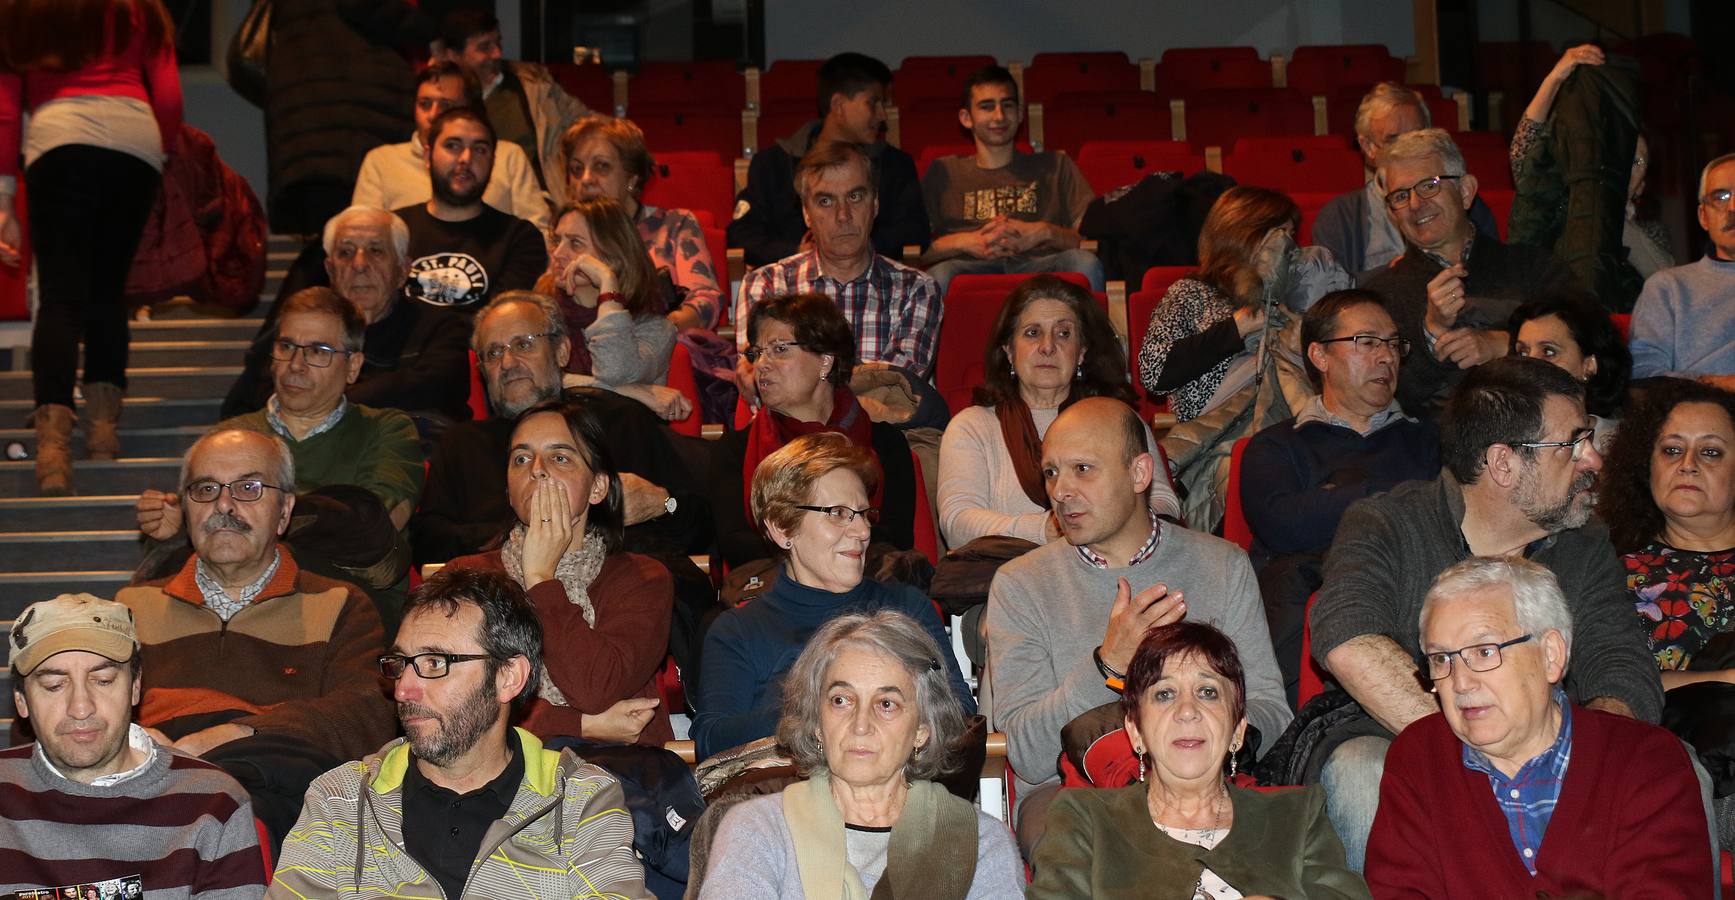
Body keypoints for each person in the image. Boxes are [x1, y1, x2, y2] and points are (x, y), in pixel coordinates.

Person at [1307, 356, 1663, 871]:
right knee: (1364, 770)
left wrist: (1575, 761)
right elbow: (1347, 636)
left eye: (1588, 440)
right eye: (1572, 444)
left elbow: (1622, 663)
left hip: (1559, 749)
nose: (1593, 461)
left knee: (1675, 766)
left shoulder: (1583, 546)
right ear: (1503, 464)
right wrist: (1480, 752)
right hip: (1402, 742)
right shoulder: (1387, 523)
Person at [987, 397, 1291, 853]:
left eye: (1083, 469)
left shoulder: (1222, 566)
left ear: (1140, 474)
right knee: (1086, 846)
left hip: (1210, 783)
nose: (1061, 490)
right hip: (1073, 796)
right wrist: (1108, 667)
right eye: (1051, 472)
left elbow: (1272, 714)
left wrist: (1193, 748)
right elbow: (1028, 755)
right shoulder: (1021, 584)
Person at [268, 567, 651, 899]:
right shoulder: (341, 799)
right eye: (401, 664)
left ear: (507, 677)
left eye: (435, 662)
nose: (403, 689)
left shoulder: (580, 799)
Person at [116, 427, 397, 847]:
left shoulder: (339, 603)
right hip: (150, 793)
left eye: (248, 488)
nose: (224, 504)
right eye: (206, 488)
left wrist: (235, 735)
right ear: (187, 508)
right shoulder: (130, 608)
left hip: (279, 794)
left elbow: (370, 714)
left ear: (284, 511)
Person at [1365, 557, 1711, 895]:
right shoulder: (1420, 758)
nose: (1461, 683)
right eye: (1441, 659)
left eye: (1485, 652)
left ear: (1551, 655)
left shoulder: (1646, 760)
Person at [694, 610, 1022, 898]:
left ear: (921, 729)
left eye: (886, 704)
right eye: (841, 700)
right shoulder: (757, 831)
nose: (860, 725)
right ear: (817, 723)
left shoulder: (979, 842)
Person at [1028, 622, 1368, 897]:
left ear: (1237, 730)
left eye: (1208, 692)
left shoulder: (1297, 815)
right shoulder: (1085, 818)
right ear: (1136, 732)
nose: (1187, 711)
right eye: (1164, 694)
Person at [692, 433, 974, 760]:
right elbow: (712, 741)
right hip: (786, 799)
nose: (863, 531)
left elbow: (958, 713)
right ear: (783, 529)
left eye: (864, 513)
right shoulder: (739, 631)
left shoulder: (907, 607)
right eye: (838, 513)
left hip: (900, 792)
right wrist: (819, 708)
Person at [0, 0, 181, 494]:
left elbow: (5, 104)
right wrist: (163, 153)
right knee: (108, 292)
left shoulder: (22, 9)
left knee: (61, 296)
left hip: (57, 135)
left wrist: (4, 198)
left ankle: (54, 454)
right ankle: (103, 433)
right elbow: (166, 92)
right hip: (133, 139)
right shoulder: (138, 5)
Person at [1241, 290, 1440, 707]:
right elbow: (1282, 525)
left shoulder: (1431, 441)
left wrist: (1335, 497)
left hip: (1414, 594)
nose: (1387, 358)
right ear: (1319, 356)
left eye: (1393, 344)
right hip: (1308, 609)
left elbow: (1446, 519)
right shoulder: (1275, 447)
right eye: (1367, 342)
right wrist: (1389, 496)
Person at [410, 290, 709, 565]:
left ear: (562, 351)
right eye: (493, 353)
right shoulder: (463, 445)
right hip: (500, 603)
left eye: (523, 344)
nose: (508, 362)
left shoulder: (621, 421)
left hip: (616, 595)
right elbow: (428, 541)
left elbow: (698, 522)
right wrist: (524, 534)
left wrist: (662, 503)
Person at [2, 593, 267, 898]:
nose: (80, 707)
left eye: (102, 680)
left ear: (136, 686)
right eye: (54, 685)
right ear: (21, 700)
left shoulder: (213, 802)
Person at [446, 399, 675, 747]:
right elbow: (454, 699)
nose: (536, 470)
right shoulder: (464, 577)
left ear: (597, 487)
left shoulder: (641, 579)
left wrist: (540, 577)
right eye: (521, 459)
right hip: (494, 774)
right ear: (509, 492)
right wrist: (578, 724)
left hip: (615, 773)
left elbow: (594, 688)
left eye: (560, 458)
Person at [143, 287, 423, 537]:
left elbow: (374, 525)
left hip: (346, 590)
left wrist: (255, 510)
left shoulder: (387, 430)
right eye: (286, 346)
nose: (296, 364)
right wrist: (171, 529)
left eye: (317, 351)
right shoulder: (229, 437)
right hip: (241, 591)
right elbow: (205, 534)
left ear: (353, 366)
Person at [939, 274, 1180, 548]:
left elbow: (1164, 505)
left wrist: (1105, 526)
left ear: (1081, 352)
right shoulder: (971, 427)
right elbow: (957, 524)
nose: (1047, 347)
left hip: (1113, 574)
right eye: (1032, 333)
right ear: (1008, 351)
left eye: (1063, 333)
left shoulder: (1117, 419)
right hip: (1007, 578)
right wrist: (1049, 528)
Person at [1360, 128, 1579, 419]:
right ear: (1392, 214)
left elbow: (1590, 345)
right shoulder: (1379, 296)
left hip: (1542, 430)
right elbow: (1384, 400)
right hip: (1440, 451)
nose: (1414, 204)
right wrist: (1431, 332)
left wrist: (1508, 345)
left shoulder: (1532, 266)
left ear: (1465, 191)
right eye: (1401, 196)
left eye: (1429, 185)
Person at [711, 293, 919, 568]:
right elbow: (737, 544)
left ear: (825, 361)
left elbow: (895, 537)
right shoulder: (736, 450)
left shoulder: (885, 443)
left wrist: (803, 542)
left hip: (865, 591)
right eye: (757, 352)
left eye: (780, 349)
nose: (761, 364)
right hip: (777, 594)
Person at [222, 207, 473, 426]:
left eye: (376, 251)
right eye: (345, 253)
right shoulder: (293, 330)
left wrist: (320, 403)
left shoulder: (442, 328)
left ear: (402, 270)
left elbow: (436, 388)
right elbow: (243, 406)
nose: (360, 264)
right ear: (330, 270)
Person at [735, 141, 944, 389]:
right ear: (806, 214)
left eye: (855, 197)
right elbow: (764, 382)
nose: (843, 215)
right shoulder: (767, 284)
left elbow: (894, 389)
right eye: (826, 201)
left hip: (885, 428)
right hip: (792, 429)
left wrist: (805, 381)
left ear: (875, 204)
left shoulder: (916, 289)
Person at [1136, 185, 1350, 423]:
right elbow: (1154, 373)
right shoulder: (1190, 293)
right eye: (1279, 233)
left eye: (1290, 235)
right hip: (1219, 431)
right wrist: (1238, 327)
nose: (1287, 246)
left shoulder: (1298, 291)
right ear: (1241, 234)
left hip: (1290, 421)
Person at [729, 52, 928, 268]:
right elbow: (742, 234)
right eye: (873, 103)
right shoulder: (773, 164)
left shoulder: (895, 165)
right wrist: (797, 252)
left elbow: (915, 230)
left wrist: (846, 246)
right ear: (838, 104)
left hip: (872, 284)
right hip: (790, 290)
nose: (883, 115)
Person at [920, 65, 1102, 294]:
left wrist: (1045, 232)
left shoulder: (1056, 165)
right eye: (987, 107)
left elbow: (1093, 242)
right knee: (938, 276)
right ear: (966, 118)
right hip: (968, 267)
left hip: (1041, 266)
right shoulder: (944, 171)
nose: (999, 116)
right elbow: (913, 252)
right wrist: (965, 241)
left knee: (1084, 263)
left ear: (1020, 113)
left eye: (1007, 105)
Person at [1599, 381, 1735, 674]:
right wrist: (1724, 679)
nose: (1688, 464)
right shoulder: (1611, 574)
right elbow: (1604, 690)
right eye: (1672, 450)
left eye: (1710, 452)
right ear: (1646, 467)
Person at [1509, 44, 1674, 282]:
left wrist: (1612, 214)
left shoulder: (1653, 232)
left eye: (1637, 161)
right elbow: (1524, 145)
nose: (1626, 167)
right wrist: (1555, 78)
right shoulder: (1553, 203)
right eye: (1619, 155)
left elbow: (1666, 279)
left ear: (1642, 186)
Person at [260, 0, 428, 235]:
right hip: (353, 123)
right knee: (361, 243)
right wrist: (434, 25)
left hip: (309, 125)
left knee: (328, 245)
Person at [1312, 82, 1500, 282]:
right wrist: (1399, 272)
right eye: (1393, 139)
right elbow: (1329, 294)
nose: (1407, 148)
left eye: (1417, 136)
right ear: (1368, 147)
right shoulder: (1340, 217)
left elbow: (1495, 270)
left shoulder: (1463, 199)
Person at [562, 114, 723, 330]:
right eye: (576, 169)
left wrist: (654, 334)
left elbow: (705, 301)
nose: (586, 179)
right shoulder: (562, 234)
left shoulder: (674, 226)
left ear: (632, 178)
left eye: (601, 166)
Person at [353, 61, 549, 231]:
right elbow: (361, 236)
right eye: (425, 104)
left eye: (446, 105)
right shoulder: (382, 161)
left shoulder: (507, 156)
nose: (433, 115)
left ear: (470, 109)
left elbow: (538, 232)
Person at [397, 106, 548, 311]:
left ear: (493, 161)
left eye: (479, 149)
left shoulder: (519, 238)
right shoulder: (395, 230)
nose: (466, 159)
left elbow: (502, 326)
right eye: (453, 146)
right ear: (427, 155)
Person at [433, 7, 588, 206]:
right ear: (454, 55)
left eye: (498, 43)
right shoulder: (438, 95)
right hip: (467, 199)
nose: (497, 53)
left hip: (536, 200)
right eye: (484, 47)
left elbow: (582, 120)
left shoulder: (532, 84)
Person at [536, 198, 679, 390]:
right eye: (556, 240)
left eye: (575, 243)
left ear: (613, 254)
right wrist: (636, 394)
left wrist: (607, 283)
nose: (557, 253)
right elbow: (531, 382)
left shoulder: (655, 328)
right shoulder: (538, 314)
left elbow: (616, 373)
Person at [1630, 153, 1735, 386]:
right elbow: (1644, 375)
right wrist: (1724, 385)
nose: (1732, 208)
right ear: (1703, 216)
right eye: (1721, 196)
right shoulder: (1669, 287)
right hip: (1698, 411)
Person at [1508, 289, 1631, 451]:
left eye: (1548, 352)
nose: (1530, 363)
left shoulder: (1621, 446)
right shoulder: (1500, 435)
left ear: (1589, 365)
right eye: (1523, 352)